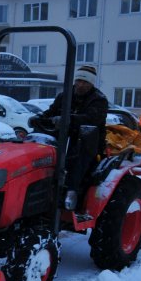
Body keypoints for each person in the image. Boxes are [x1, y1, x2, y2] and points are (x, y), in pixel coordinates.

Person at [33, 65, 109, 210]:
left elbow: (91, 119)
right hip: (61, 138)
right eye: (79, 81)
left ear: (91, 83)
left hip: (87, 141)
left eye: (85, 82)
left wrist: (67, 119)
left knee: (76, 162)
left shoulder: (99, 100)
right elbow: (51, 111)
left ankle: (70, 195)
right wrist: (39, 117)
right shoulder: (64, 96)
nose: (80, 85)